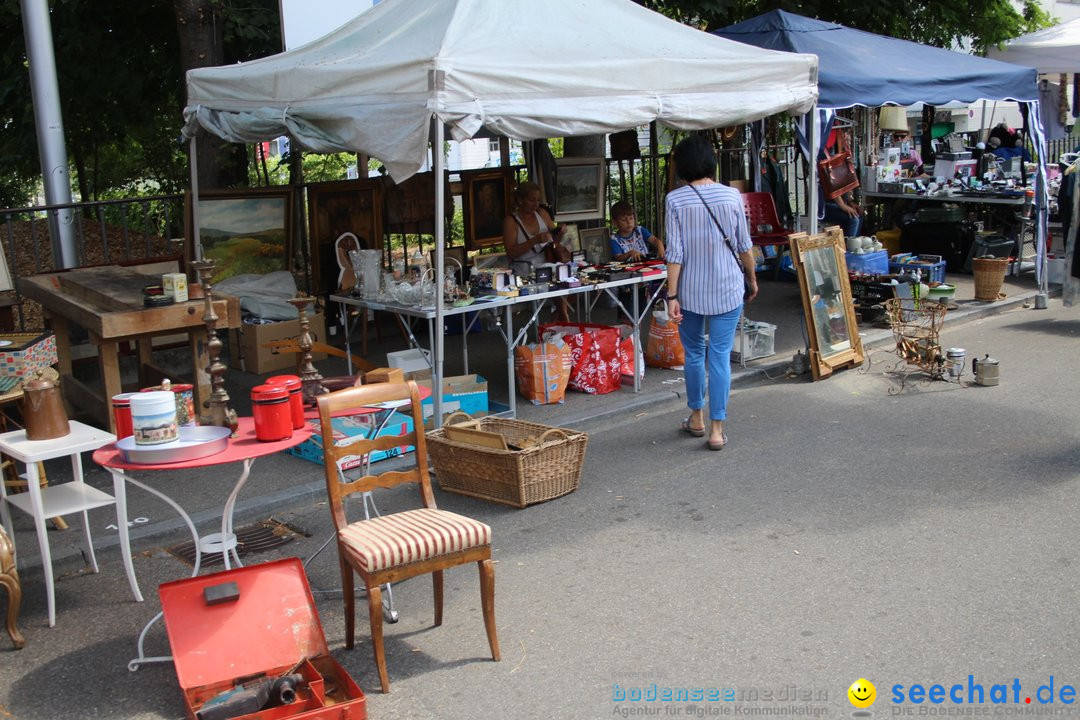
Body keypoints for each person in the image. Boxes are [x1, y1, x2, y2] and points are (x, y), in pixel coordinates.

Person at [665, 135, 758, 452]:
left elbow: (674, 253)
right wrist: (752, 277)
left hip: (689, 292)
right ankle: (717, 430)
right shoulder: (732, 196)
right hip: (727, 289)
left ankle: (696, 418)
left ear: (682, 166)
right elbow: (744, 246)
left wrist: (671, 295)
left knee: (693, 354)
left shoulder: (675, 200)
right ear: (710, 162)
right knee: (719, 357)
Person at [502, 181, 572, 321]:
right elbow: (511, 252)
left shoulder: (542, 213)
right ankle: (563, 318)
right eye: (531, 200)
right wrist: (534, 240)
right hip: (524, 269)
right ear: (520, 200)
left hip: (546, 264)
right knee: (556, 280)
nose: (536, 204)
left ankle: (558, 317)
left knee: (569, 278)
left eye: (538, 200)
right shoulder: (511, 221)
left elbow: (554, 241)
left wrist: (560, 233)